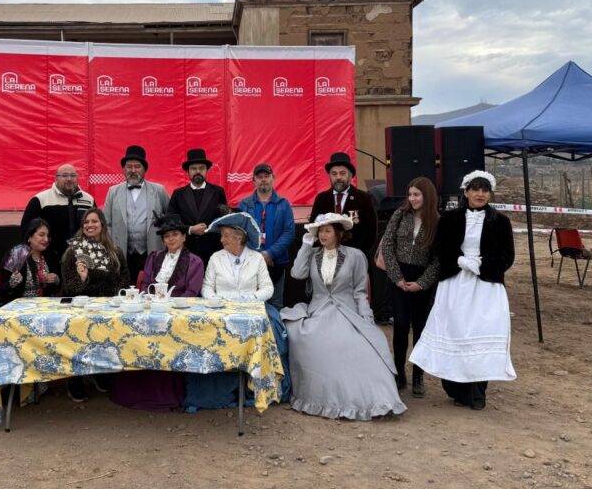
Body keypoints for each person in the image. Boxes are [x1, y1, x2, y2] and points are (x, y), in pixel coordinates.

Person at [283, 213, 407, 420]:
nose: (322, 235)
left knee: (360, 345)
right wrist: (305, 245)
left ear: (338, 233)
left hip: (347, 311)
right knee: (313, 341)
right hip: (318, 311)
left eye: (327, 231)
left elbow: (360, 292)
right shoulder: (313, 255)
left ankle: (371, 399)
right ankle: (325, 398)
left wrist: (366, 316)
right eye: (320, 231)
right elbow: (297, 273)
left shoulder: (355, 256)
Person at [411, 170, 516, 410]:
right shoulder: (450, 219)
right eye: (475, 189)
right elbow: (440, 248)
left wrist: (481, 266)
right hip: (455, 284)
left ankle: (477, 394)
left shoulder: (501, 221)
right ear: (466, 192)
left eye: (485, 190)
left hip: (485, 287)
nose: (480, 194)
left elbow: (507, 256)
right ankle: (456, 389)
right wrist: (459, 261)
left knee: (479, 333)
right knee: (455, 332)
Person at [184, 213, 290, 411]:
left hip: (252, 309)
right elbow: (206, 287)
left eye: (225, 235)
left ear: (239, 237)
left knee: (271, 333)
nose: (221, 240)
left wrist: (248, 299)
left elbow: (268, 289)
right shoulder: (216, 258)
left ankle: (256, 390)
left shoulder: (256, 258)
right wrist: (217, 300)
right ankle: (213, 393)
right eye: (222, 235)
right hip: (220, 310)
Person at [110, 213, 204, 412]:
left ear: (184, 237)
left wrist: (168, 307)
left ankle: (167, 393)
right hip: (150, 309)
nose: (170, 239)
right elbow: (145, 284)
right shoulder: (154, 257)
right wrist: (149, 301)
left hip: (177, 314)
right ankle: (137, 389)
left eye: (175, 234)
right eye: (167, 236)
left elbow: (192, 293)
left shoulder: (194, 261)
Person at [375, 177, 440, 396]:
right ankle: (400, 371)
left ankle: (418, 375)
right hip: (399, 277)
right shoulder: (400, 215)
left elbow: (438, 259)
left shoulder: (437, 221)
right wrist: (397, 278)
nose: (412, 199)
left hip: (422, 280)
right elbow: (388, 245)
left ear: (427, 196)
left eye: (416, 195)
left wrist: (422, 283)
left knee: (420, 328)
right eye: (410, 194)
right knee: (401, 325)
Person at [59, 208, 131, 402]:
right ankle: (75, 380)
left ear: (102, 225)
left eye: (94, 221)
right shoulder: (72, 253)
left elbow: (124, 281)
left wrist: (111, 294)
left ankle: (100, 373)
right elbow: (69, 288)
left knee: (107, 340)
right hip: (81, 308)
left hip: (109, 307)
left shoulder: (115, 252)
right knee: (78, 339)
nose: (90, 225)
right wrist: (82, 278)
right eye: (86, 222)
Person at [103, 145, 170, 286]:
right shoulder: (113, 192)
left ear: (144, 169)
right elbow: (106, 224)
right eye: (129, 167)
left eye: (137, 166)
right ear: (124, 169)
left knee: (151, 288)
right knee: (124, 289)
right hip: (122, 253)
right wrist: (111, 248)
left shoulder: (159, 191)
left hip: (151, 251)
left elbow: (170, 220)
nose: (133, 170)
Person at [238, 163, 294, 309]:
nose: (263, 180)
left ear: (273, 178)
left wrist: (270, 253)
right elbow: (240, 233)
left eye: (266, 176)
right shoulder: (244, 204)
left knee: (276, 304)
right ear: (254, 180)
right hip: (250, 264)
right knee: (252, 304)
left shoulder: (284, 204)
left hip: (276, 263)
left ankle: (275, 325)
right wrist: (259, 255)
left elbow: (289, 233)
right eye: (259, 177)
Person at [20, 164, 95, 270]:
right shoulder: (40, 200)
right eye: (64, 175)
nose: (69, 179)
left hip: (82, 260)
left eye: (73, 175)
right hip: (50, 261)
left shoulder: (89, 200)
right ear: (56, 178)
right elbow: (26, 230)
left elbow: (99, 228)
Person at [308, 152, 379, 255]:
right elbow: (313, 229)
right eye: (334, 174)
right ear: (329, 176)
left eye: (342, 173)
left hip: (355, 256)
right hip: (327, 256)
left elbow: (371, 233)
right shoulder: (321, 198)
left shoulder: (364, 198)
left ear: (350, 175)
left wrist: (358, 255)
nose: (338, 177)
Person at [168, 148, 228, 266]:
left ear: (206, 170)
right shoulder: (178, 194)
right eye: (194, 168)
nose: (198, 171)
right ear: (188, 171)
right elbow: (171, 222)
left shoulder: (218, 192)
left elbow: (224, 220)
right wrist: (190, 229)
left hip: (213, 252)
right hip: (187, 251)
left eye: (201, 168)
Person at [0, 218, 61, 308]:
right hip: (18, 307)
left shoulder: (50, 256)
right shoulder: (17, 255)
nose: (46, 239)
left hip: (43, 306)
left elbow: (56, 289)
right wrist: (12, 282)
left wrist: (55, 279)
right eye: (41, 235)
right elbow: (1, 291)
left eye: (48, 236)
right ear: (29, 237)